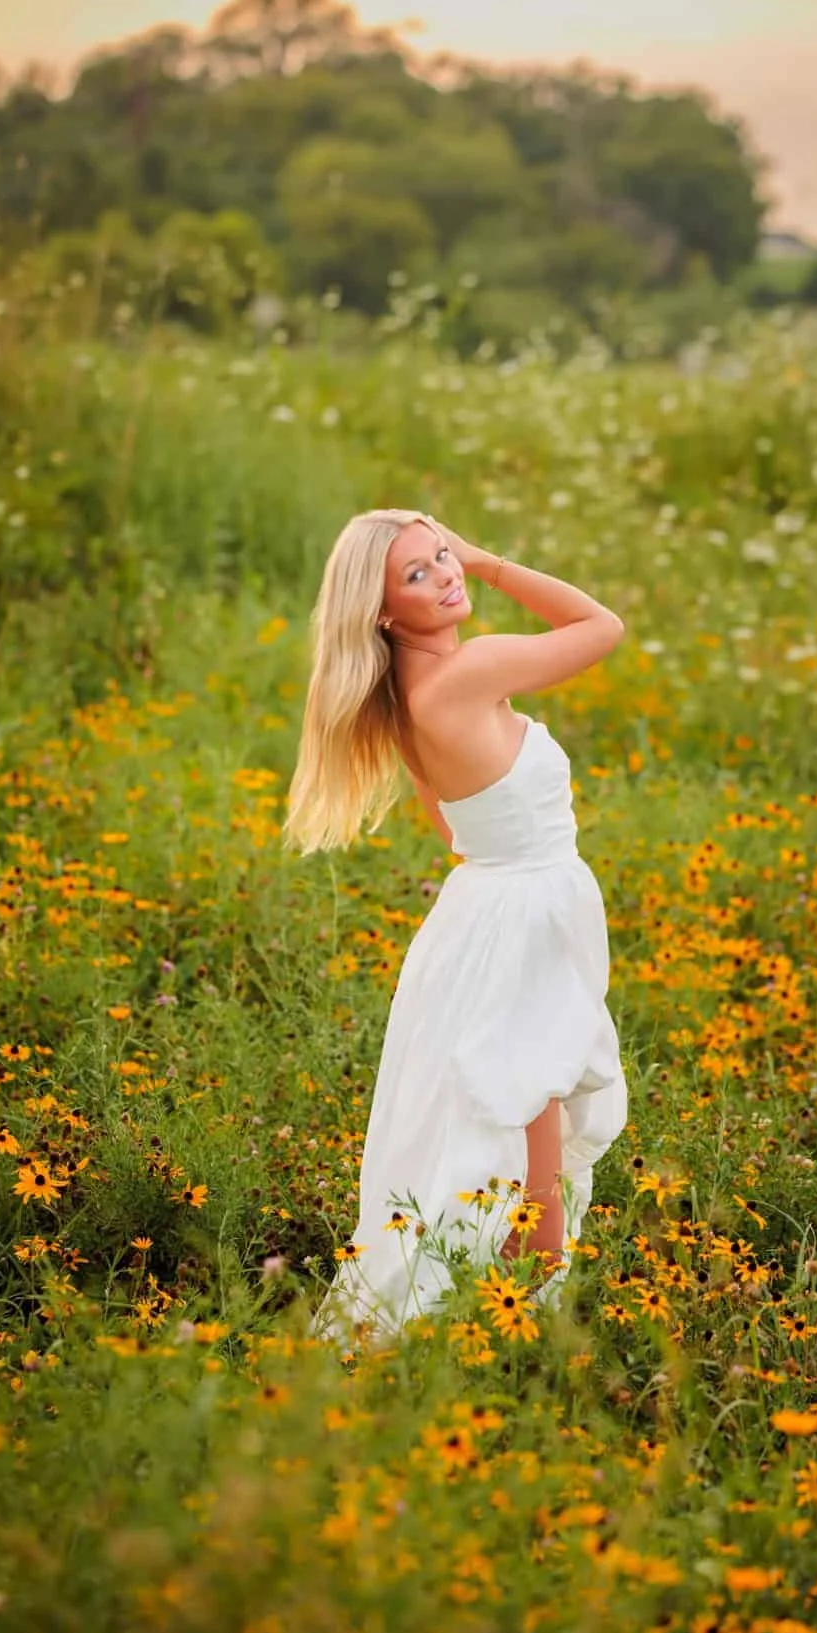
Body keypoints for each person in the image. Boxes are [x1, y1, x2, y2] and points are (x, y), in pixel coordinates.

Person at [284, 508, 629, 1342]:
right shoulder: (474, 667)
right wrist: (490, 561)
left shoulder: (403, 698)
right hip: (523, 909)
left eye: (445, 558)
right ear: (381, 611)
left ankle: (513, 1304)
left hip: (487, 905)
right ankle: (535, 1311)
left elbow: (455, 828)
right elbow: (601, 625)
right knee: (530, 1100)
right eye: (419, 573)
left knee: (510, 1108)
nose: (445, 576)